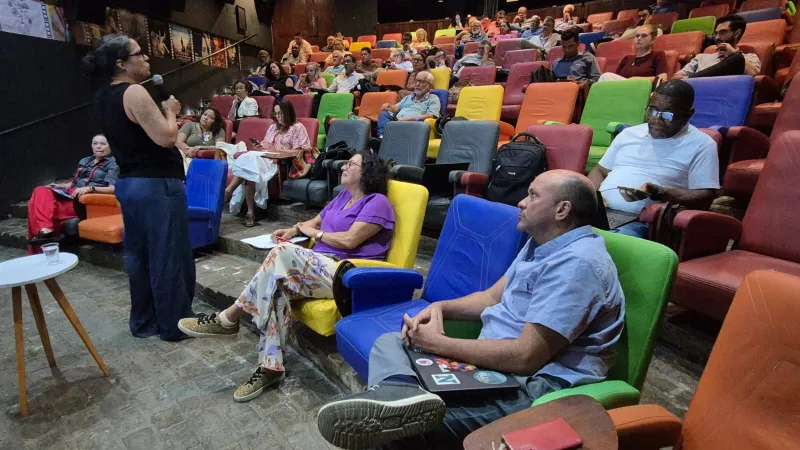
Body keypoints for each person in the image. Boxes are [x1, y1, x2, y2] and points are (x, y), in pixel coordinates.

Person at [316, 170, 625, 449]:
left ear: (562, 210)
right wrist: (439, 306)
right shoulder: (540, 243)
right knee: (393, 340)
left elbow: (526, 357)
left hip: (533, 388)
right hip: (494, 365)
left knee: (392, 435)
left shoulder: (577, 264)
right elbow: (492, 297)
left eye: (532, 195)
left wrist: (438, 344)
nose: (520, 202)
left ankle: (400, 406)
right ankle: (401, 392)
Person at [178, 151, 394, 402]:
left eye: (351, 163)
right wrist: (292, 230)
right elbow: (315, 221)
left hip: (347, 272)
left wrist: (315, 234)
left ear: (367, 172)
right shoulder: (343, 196)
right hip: (319, 267)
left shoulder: (377, 202)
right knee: (274, 288)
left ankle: (228, 319)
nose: (344, 166)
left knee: (281, 253)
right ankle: (271, 367)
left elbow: (350, 240)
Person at [86, 34, 194, 341]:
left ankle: (144, 322)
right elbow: (166, 137)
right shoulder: (133, 92)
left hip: (130, 184)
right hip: (156, 185)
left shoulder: (102, 96)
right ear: (122, 63)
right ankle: (175, 325)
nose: (146, 58)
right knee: (167, 255)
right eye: (139, 54)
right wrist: (171, 111)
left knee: (140, 257)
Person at [588, 80, 719, 238]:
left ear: (689, 114)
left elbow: (705, 196)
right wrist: (593, 197)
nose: (657, 119)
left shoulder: (702, 144)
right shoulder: (628, 135)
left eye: (667, 114)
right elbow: (600, 170)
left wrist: (662, 192)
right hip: (598, 212)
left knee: (601, 244)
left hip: (641, 222)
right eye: (653, 111)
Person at [225, 101, 309, 227]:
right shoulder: (273, 127)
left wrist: (278, 150)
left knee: (250, 163)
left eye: (281, 113)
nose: (278, 117)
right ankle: (250, 211)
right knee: (250, 161)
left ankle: (231, 193)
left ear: (288, 113)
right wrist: (259, 146)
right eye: (276, 113)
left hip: (279, 162)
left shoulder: (297, 127)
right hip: (265, 157)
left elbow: (301, 151)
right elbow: (266, 144)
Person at [27, 134, 119, 248]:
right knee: (40, 190)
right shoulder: (85, 161)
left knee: (43, 207)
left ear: (110, 146)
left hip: (86, 202)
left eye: (103, 144)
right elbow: (75, 182)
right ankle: (46, 230)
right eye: (95, 143)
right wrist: (60, 186)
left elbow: (112, 189)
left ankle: (45, 233)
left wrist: (90, 188)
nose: (98, 147)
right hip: (71, 194)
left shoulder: (113, 163)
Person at [673, 15, 760, 79]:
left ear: (736, 33)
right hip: (698, 94)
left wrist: (733, 53)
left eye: (722, 33)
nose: (717, 37)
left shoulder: (749, 57)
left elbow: (752, 74)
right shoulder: (701, 57)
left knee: (737, 60)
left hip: (726, 96)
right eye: (716, 33)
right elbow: (676, 78)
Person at [376, 71, 440, 138]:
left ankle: (385, 139)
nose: (417, 84)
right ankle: (382, 137)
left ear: (429, 85)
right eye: (416, 81)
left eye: (421, 82)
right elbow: (396, 108)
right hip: (397, 122)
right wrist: (388, 107)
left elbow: (431, 116)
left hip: (414, 125)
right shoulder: (408, 97)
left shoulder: (433, 98)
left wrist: (407, 120)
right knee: (385, 114)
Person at [598, 25, 668, 82]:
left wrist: (635, 79)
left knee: (605, 77)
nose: (639, 38)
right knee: (606, 79)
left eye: (644, 35)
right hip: (623, 89)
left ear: (653, 40)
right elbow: (617, 79)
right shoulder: (627, 59)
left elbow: (662, 79)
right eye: (637, 36)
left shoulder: (657, 55)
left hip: (642, 89)